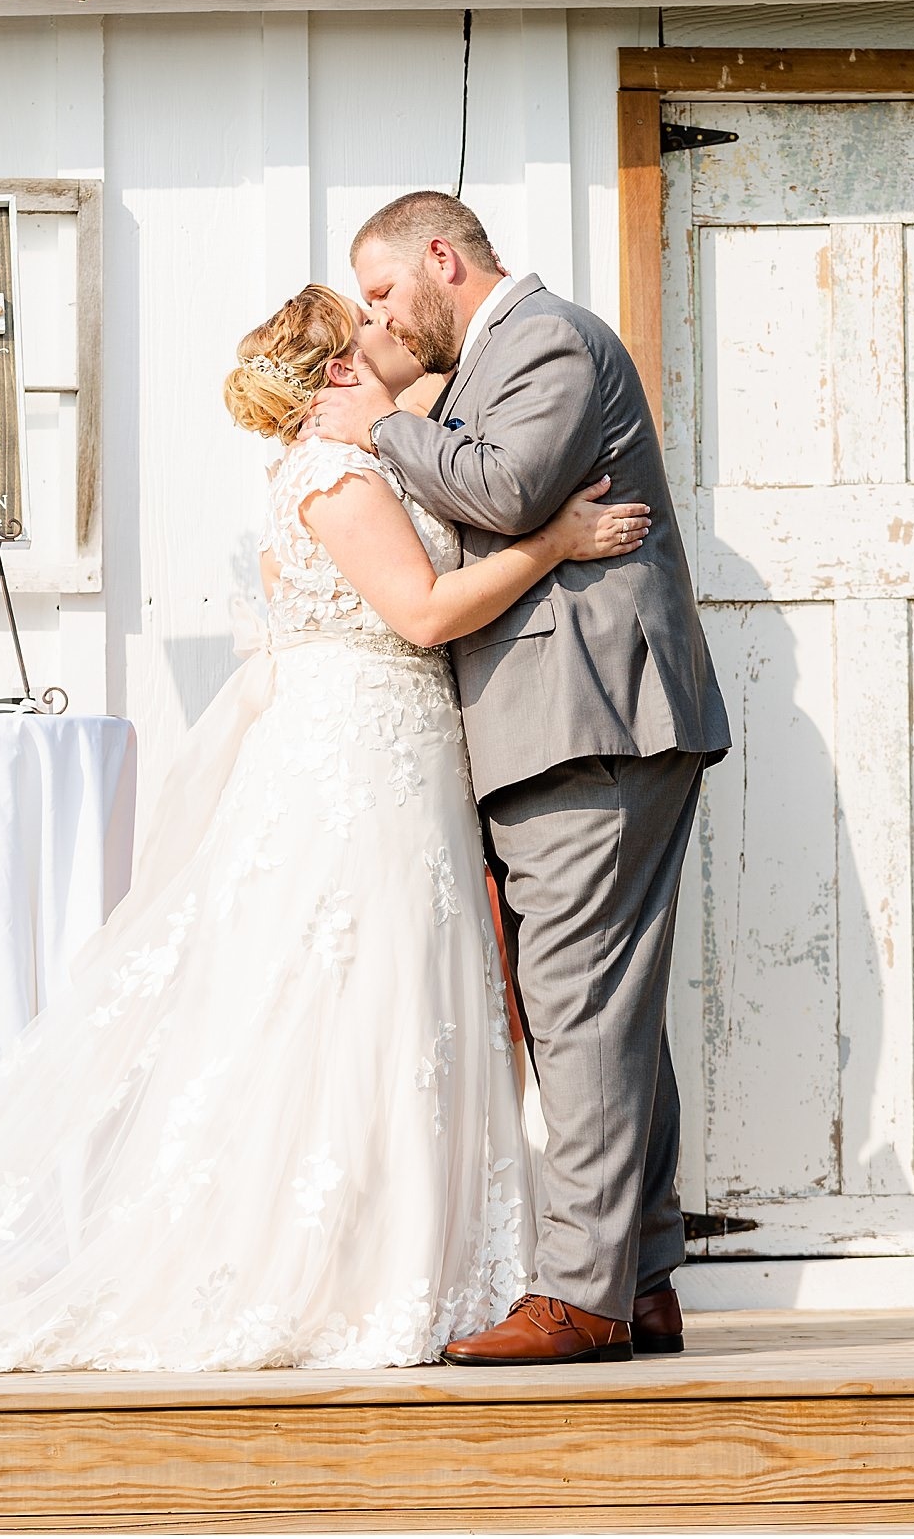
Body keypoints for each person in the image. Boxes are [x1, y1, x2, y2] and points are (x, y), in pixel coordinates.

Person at [0, 286, 649, 1389]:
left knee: (381, 993)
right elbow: (427, 612)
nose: (394, 341)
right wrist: (556, 540)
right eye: (371, 331)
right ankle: (341, 1268)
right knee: (359, 990)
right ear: (338, 370)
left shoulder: (355, 461)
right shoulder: (337, 478)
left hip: (385, 746)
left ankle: (397, 1250)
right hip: (363, 755)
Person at [307, 193, 730, 1368]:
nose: (383, 317)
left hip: (589, 716)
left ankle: (582, 1296)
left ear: (442, 256)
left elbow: (504, 492)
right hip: (582, 716)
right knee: (606, 1008)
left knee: (579, 1005)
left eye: (386, 291)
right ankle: (640, 1278)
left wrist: (379, 423)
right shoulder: (490, 356)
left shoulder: (546, 335)